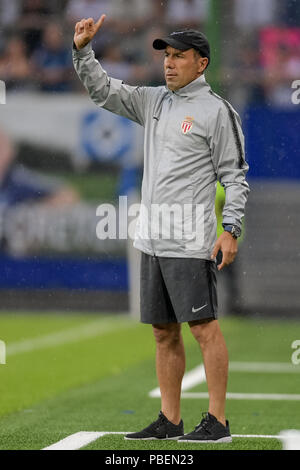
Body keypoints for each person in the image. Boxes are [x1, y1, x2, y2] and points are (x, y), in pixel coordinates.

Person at [72, 15, 249, 444]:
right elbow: (104, 91)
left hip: (191, 239)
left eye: (179, 56)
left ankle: (218, 422)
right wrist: (83, 52)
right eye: (166, 56)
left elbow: (236, 176)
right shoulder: (154, 101)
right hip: (152, 237)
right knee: (162, 331)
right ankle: (170, 420)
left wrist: (232, 229)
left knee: (203, 327)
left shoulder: (217, 111)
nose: (169, 64)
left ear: (201, 64)